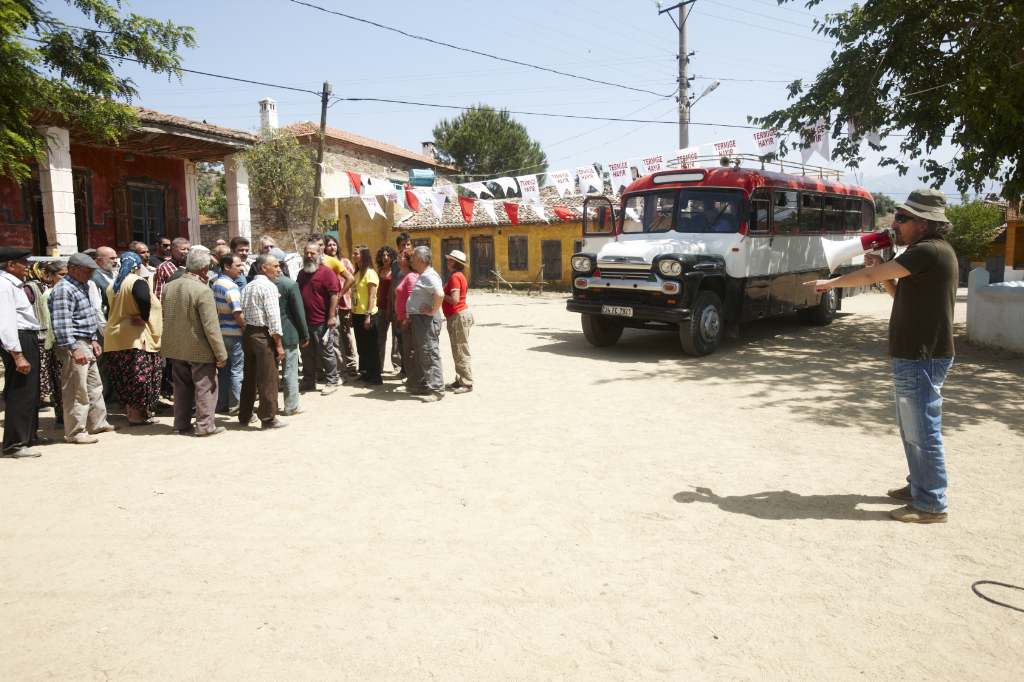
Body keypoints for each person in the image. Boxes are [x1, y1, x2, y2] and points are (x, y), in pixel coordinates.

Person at [805, 188, 958, 524]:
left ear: (923, 224)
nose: (895, 223)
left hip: (921, 354)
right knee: (912, 428)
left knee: (922, 429)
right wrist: (883, 271)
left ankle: (931, 503)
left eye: (903, 218)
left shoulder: (928, 251)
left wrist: (832, 284)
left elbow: (873, 275)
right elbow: (897, 291)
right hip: (916, 353)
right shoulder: (925, 252)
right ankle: (920, 485)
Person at [48, 252, 116, 444]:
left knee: (94, 385)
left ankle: (97, 422)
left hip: (86, 340)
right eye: (87, 271)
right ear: (73, 269)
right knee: (76, 388)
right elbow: (62, 323)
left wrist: (94, 339)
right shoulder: (64, 289)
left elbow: (87, 316)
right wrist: (73, 347)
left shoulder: (82, 285)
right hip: (75, 342)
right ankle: (75, 431)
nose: (90, 275)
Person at [161, 246, 227, 437]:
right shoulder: (202, 291)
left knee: (181, 387)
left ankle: (180, 424)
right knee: (205, 386)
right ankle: (205, 425)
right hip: (199, 347)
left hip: (175, 346)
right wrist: (221, 354)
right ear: (204, 269)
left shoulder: (169, 286)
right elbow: (211, 327)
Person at [103, 252, 163, 426]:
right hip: (134, 337)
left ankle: (133, 413)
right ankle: (136, 416)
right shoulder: (136, 282)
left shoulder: (113, 284)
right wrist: (144, 317)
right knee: (139, 378)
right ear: (137, 266)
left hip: (115, 337)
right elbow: (144, 298)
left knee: (124, 378)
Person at [0, 248, 46, 457]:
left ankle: (29, 435)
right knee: (20, 391)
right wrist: (17, 354)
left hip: (27, 337)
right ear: (10, 265)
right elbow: (5, 323)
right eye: (23, 262)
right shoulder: (3, 286)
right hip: (19, 339)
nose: (27, 266)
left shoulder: (14, 284)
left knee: (31, 391)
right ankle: (15, 443)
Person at [239, 254, 287, 429]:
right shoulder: (268, 287)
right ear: (263, 268)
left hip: (249, 333)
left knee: (249, 376)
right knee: (269, 377)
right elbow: (274, 319)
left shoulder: (247, 286)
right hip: (263, 335)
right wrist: (279, 344)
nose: (278, 269)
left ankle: (244, 414)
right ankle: (268, 417)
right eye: (275, 266)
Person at [296, 241, 341, 394]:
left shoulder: (327, 272)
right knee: (306, 354)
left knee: (326, 353)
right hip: (304, 322)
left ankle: (332, 381)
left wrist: (332, 316)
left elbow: (334, 294)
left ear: (319, 254)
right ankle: (309, 381)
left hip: (322, 322)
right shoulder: (302, 274)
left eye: (312, 253)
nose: (309, 256)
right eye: (307, 253)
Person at [273, 247, 309, 415]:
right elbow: (299, 312)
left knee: (270, 373)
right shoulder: (289, 284)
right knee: (290, 371)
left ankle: (271, 406)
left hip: (267, 335)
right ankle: (291, 405)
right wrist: (305, 334)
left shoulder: (257, 283)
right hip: (288, 333)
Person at [407, 246, 445, 402]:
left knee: (429, 353)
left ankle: (437, 389)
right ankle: (428, 385)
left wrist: (432, 310)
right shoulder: (424, 275)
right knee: (424, 353)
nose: (411, 260)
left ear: (421, 259)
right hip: (421, 320)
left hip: (426, 320)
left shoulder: (429, 275)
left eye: (413, 257)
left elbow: (440, 293)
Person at [212, 253, 246, 415]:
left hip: (221, 334)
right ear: (227, 266)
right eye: (238, 265)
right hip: (234, 334)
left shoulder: (216, 284)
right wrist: (245, 329)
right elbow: (237, 313)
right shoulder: (231, 287)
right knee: (237, 371)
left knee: (225, 370)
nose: (241, 268)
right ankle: (236, 405)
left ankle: (223, 403)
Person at [322, 233, 357, 380]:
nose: (332, 247)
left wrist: (341, 294)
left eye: (334, 244)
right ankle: (339, 367)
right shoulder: (324, 263)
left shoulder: (345, 262)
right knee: (334, 336)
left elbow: (351, 280)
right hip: (332, 305)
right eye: (329, 245)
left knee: (346, 335)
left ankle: (351, 365)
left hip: (345, 303)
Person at [443, 249, 474, 394]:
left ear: (455, 262)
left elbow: (454, 300)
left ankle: (467, 382)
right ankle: (461, 378)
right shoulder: (458, 275)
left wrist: (440, 294)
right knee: (458, 348)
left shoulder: (455, 277)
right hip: (458, 315)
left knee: (461, 348)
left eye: (450, 260)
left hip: (458, 316)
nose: (447, 261)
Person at [351, 246, 382, 385]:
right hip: (357, 314)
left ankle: (375, 376)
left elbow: (372, 296)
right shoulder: (357, 273)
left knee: (371, 347)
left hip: (368, 314)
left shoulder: (370, 273)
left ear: (363, 255)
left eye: (356, 253)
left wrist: (368, 315)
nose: (353, 255)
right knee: (362, 346)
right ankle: (366, 373)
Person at [393, 249, 420, 394]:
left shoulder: (410, 277)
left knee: (410, 352)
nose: (398, 258)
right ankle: (411, 380)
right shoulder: (402, 275)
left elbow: (412, 299)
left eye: (402, 256)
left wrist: (407, 318)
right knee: (406, 351)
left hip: (407, 320)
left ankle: (413, 382)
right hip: (402, 318)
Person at [374, 246, 397, 374]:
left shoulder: (395, 271)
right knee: (380, 337)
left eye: (388, 255)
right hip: (381, 308)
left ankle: (397, 366)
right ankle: (379, 365)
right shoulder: (379, 271)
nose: (385, 258)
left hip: (393, 307)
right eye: (383, 255)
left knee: (396, 338)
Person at [390, 232, 410, 375]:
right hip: (398, 307)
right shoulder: (395, 265)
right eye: (403, 245)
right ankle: (403, 368)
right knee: (400, 339)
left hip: (410, 308)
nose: (406, 247)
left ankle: (411, 371)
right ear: (398, 247)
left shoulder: (415, 262)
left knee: (411, 341)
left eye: (408, 244)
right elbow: (393, 285)